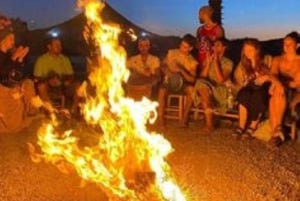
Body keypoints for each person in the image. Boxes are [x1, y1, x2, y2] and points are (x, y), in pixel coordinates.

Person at [181, 38, 233, 132]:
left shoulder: (228, 62)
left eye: (217, 45)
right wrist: (208, 63)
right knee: (199, 85)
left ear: (224, 48)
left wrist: (216, 61)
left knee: (198, 86)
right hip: (205, 87)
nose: (214, 47)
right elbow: (203, 76)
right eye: (214, 45)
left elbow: (221, 80)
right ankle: (209, 124)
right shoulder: (208, 59)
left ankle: (187, 119)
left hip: (219, 89)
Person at [0, 15, 41, 133]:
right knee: (13, 127)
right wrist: (14, 59)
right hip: (2, 90)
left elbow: (14, 75)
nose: (13, 42)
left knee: (28, 83)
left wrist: (19, 61)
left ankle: (32, 112)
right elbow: (3, 76)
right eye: (10, 39)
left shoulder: (8, 54)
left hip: (9, 87)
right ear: (2, 39)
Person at [233, 38, 275, 138]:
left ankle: (252, 126)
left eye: (250, 50)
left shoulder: (267, 59)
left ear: (257, 50)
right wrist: (246, 81)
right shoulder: (243, 63)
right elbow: (239, 80)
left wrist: (266, 77)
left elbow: (274, 75)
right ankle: (241, 126)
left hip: (265, 86)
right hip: (251, 86)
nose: (247, 53)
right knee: (244, 94)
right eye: (245, 50)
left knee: (258, 96)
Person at [157, 34, 198, 128]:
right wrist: (166, 71)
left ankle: (184, 119)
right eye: (181, 45)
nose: (181, 48)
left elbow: (192, 79)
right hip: (169, 81)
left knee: (191, 91)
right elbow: (162, 65)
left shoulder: (192, 62)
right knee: (162, 91)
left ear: (190, 48)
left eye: (185, 47)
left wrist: (181, 70)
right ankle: (160, 120)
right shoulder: (171, 53)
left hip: (183, 84)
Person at [269, 32, 300, 146]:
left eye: (290, 44)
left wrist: (278, 84)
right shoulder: (277, 59)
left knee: (275, 94)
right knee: (276, 92)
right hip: (281, 90)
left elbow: (296, 84)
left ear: (297, 45)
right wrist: (278, 84)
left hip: (296, 92)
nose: (286, 47)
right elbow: (272, 74)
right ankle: (278, 131)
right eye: (284, 44)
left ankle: (276, 132)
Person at [34, 37, 75, 108]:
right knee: (41, 86)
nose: (60, 47)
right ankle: (50, 109)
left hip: (62, 83)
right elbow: (37, 78)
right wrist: (49, 80)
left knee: (78, 86)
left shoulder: (65, 59)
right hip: (48, 84)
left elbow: (71, 76)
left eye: (60, 45)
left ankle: (73, 110)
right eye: (56, 45)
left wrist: (62, 80)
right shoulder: (41, 60)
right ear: (49, 47)